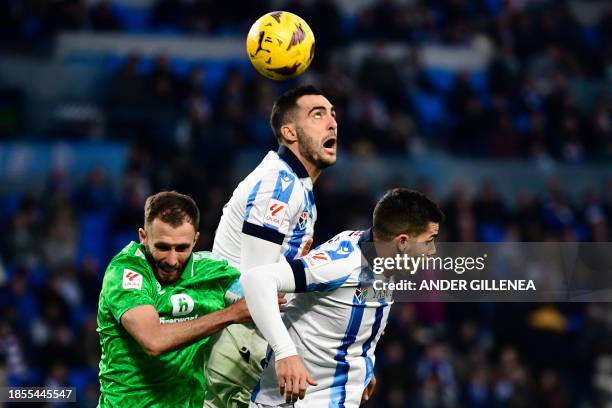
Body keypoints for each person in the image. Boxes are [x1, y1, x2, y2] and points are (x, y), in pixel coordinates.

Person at [241, 188, 444, 407]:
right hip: (298, 399)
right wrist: (285, 353)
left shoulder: (386, 261)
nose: (432, 250)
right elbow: (257, 279)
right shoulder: (344, 264)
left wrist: (363, 365)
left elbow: (354, 307)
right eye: (429, 240)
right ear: (402, 241)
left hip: (336, 393)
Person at [205, 85, 338, 407]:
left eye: (333, 114)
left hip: (253, 337)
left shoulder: (295, 185)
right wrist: (286, 351)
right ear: (289, 131)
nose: (332, 123)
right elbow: (252, 285)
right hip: (239, 342)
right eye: (317, 115)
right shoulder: (277, 187)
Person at [97, 191, 258, 407]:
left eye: (182, 248)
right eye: (162, 247)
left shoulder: (213, 274)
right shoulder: (126, 273)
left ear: (195, 240)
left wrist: (290, 274)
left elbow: (264, 295)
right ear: (143, 237)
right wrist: (230, 315)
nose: (172, 260)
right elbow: (154, 341)